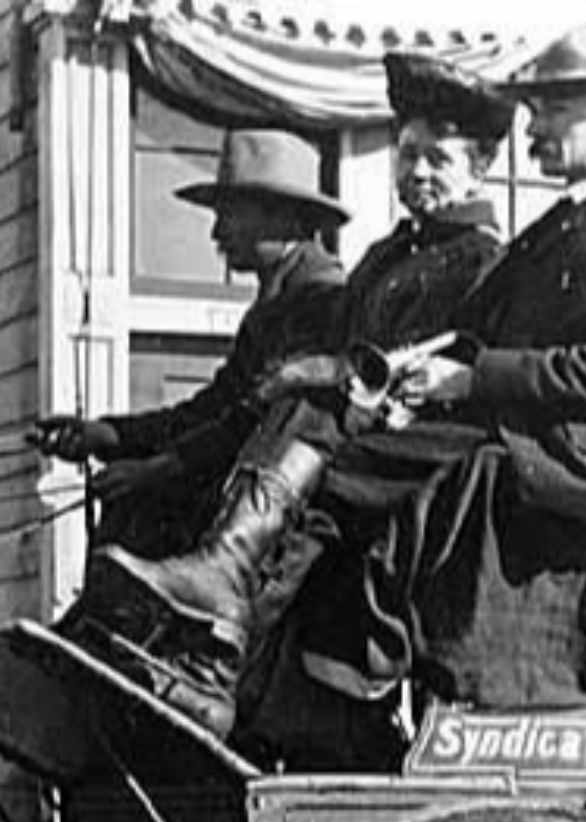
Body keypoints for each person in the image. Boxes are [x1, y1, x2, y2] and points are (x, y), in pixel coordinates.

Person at [86, 26, 586, 742]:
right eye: (536, 110)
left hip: (574, 468)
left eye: (555, 111)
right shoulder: (546, 236)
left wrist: (469, 378)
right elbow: (466, 336)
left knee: (334, 449)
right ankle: (222, 637)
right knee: (332, 442)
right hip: (506, 433)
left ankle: (227, 632)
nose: (534, 127)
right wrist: (409, 378)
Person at [93, 52, 515, 649]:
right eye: (408, 155)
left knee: (308, 408)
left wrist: (322, 373)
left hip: (407, 451)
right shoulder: (385, 257)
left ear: (481, 168)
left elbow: (441, 377)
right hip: (339, 433)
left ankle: (226, 585)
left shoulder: (486, 265)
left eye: (438, 160)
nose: (418, 172)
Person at [32, 129, 349, 561]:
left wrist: (155, 470)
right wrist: (109, 434)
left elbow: (253, 424)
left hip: (283, 517)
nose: (216, 232)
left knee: (139, 507)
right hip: (245, 492)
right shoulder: (276, 301)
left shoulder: (319, 301)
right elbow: (212, 409)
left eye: (231, 214)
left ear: (283, 217)